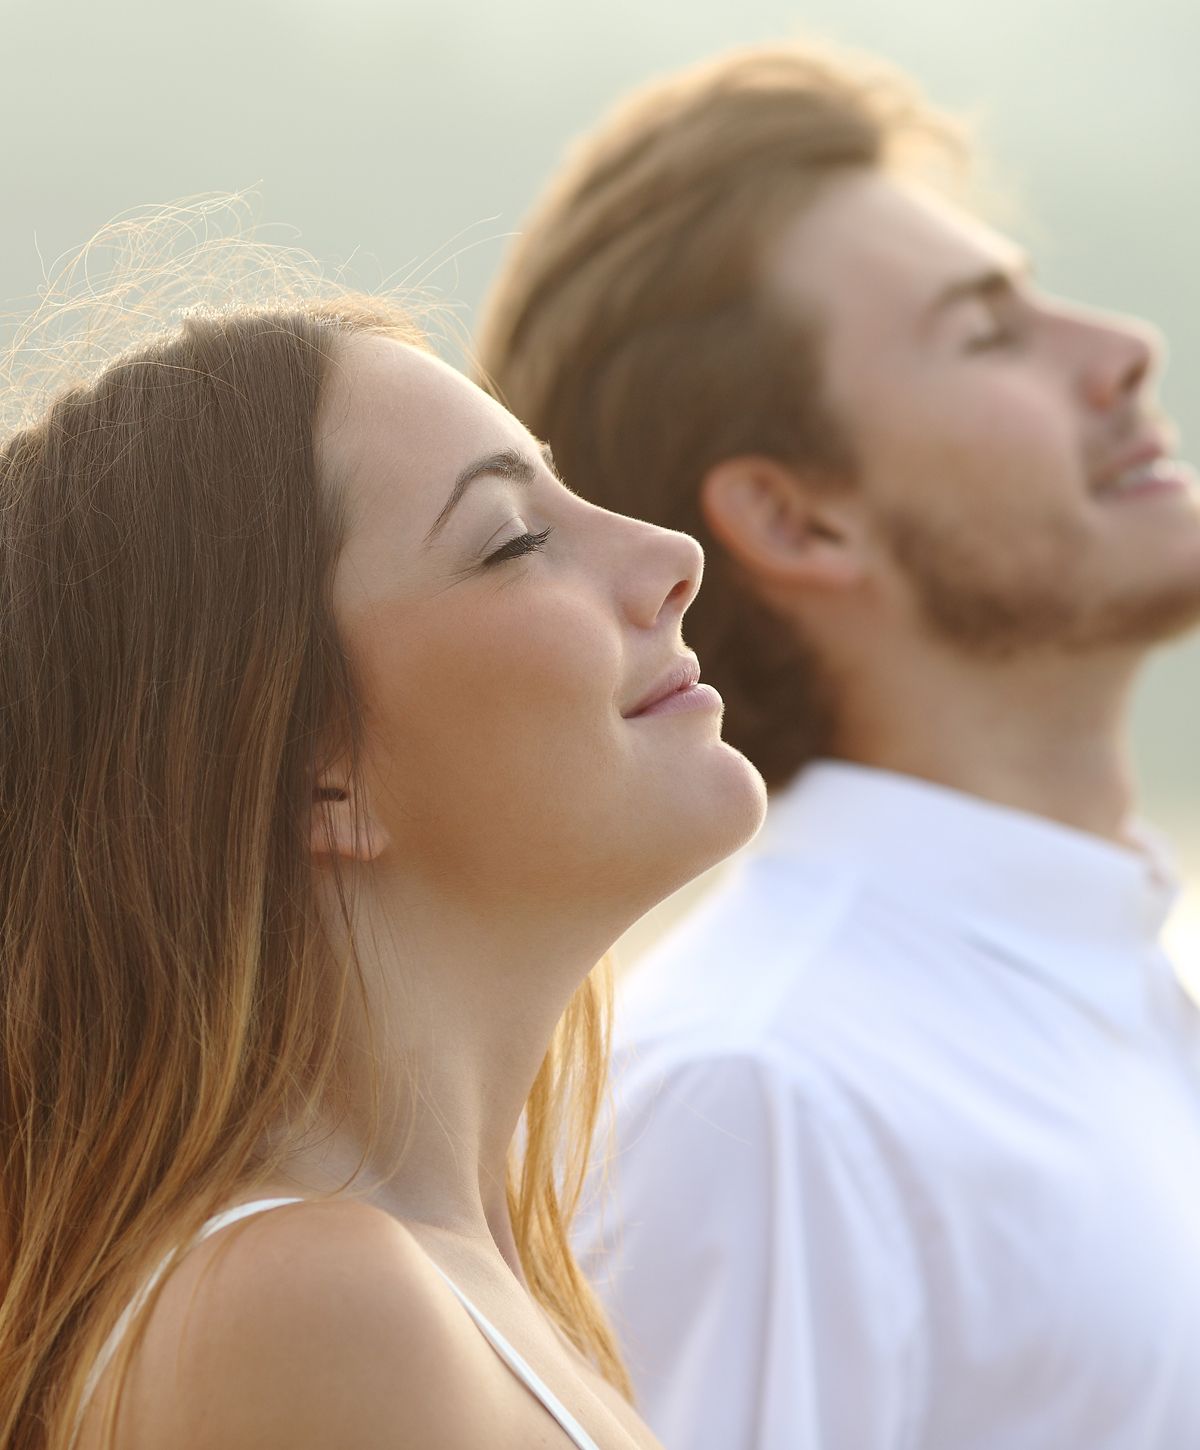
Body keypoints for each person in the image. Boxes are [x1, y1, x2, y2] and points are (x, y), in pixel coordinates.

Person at [475, 40, 1200, 1450]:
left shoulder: (1106, 984)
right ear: (799, 520)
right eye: (988, 332)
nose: (1122, 352)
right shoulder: (762, 1095)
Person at [0, 232, 766, 1450]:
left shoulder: (469, 1291)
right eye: (515, 539)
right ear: (319, 774)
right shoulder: (301, 1302)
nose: (670, 557)